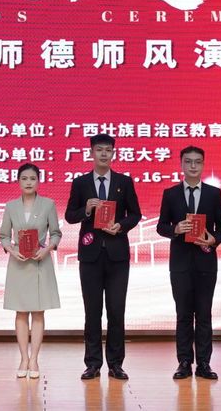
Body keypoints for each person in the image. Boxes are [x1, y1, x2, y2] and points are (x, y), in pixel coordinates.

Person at [65, 134, 142, 381]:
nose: (104, 154)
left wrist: (121, 226)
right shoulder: (80, 183)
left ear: (113, 154)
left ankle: (116, 364)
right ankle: (93, 363)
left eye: (108, 150)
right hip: (90, 255)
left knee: (116, 311)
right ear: (91, 153)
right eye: (99, 150)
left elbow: (135, 214)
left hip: (117, 255)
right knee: (92, 311)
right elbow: (70, 215)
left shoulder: (124, 182)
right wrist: (87, 209)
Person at [157, 145, 221, 380]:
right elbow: (161, 226)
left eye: (197, 162)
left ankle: (204, 363)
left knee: (204, 314)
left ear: (203, 165)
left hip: (206, 262)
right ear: (181, 164)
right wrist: (175, 229)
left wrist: (214, 239)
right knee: (183, 314)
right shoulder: (171, 194)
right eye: (188, 161)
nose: (193, 166)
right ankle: (184, 362)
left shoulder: (213, 194)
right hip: (180, 264)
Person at [0, 163, 62, 379]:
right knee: (20, 312)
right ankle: (23, 358)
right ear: (18, 181)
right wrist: (11, 250)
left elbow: (56, 233)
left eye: (32, 179)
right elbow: (4, 236)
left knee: (38, 312)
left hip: (39, 263)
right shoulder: (10, 206)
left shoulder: (48, 204)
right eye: (24, 178)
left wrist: (47, 249)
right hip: (18, 263)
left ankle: (34, 359)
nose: (28, 182)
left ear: (38, 181)